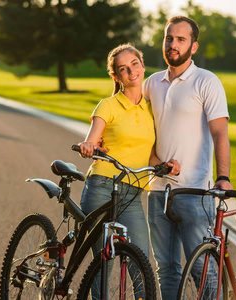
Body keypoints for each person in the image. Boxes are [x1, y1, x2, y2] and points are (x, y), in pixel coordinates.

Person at [143, 16, 233, 299]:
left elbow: (220, 133)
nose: (173, 44)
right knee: (166, 269)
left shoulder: (206, 81)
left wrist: (223, 177)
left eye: (181, 39)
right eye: (169, 38)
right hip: (158, 191)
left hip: (194, 191)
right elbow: (144, 135)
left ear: (193, 46)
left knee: (202, 269)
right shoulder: (151, 84)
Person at [78, 43, 180, 262]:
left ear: (143, 66)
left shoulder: (151, 109)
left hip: (133, 191)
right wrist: (89, 147)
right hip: (103, 186)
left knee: (140, 259)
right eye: (124, 68)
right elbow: (92, 139)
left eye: (134, 64)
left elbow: (149, 155)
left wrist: (165, 164)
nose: (131, 71)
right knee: (102, 263)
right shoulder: (108, 105)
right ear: (117, 77)